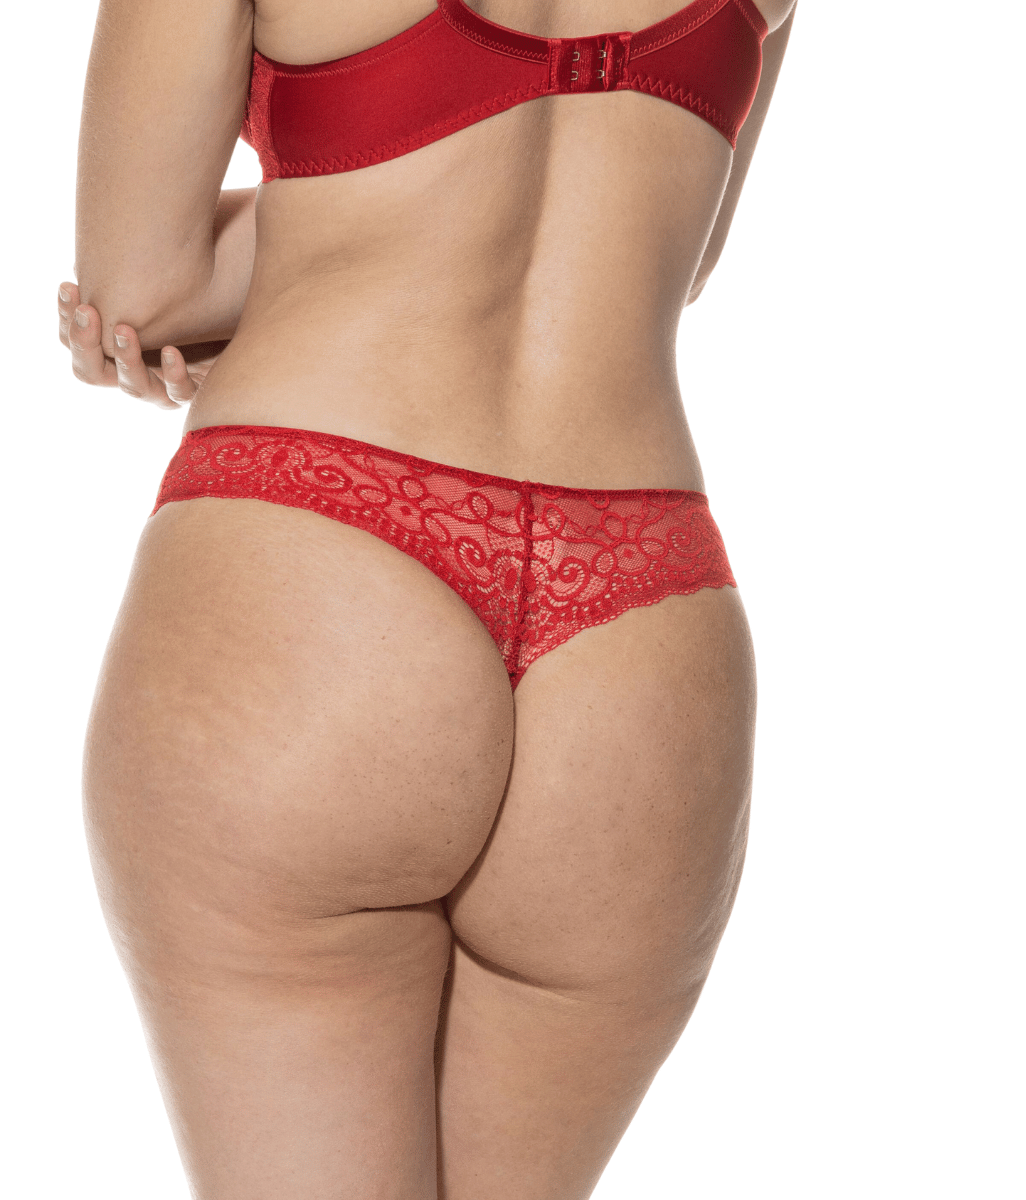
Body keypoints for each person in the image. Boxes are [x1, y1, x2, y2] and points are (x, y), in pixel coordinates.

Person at [57, 0, 795, 1195]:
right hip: (641, 635)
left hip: (320, 566)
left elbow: (140, 289)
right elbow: (681, 241)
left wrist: (331, 235)